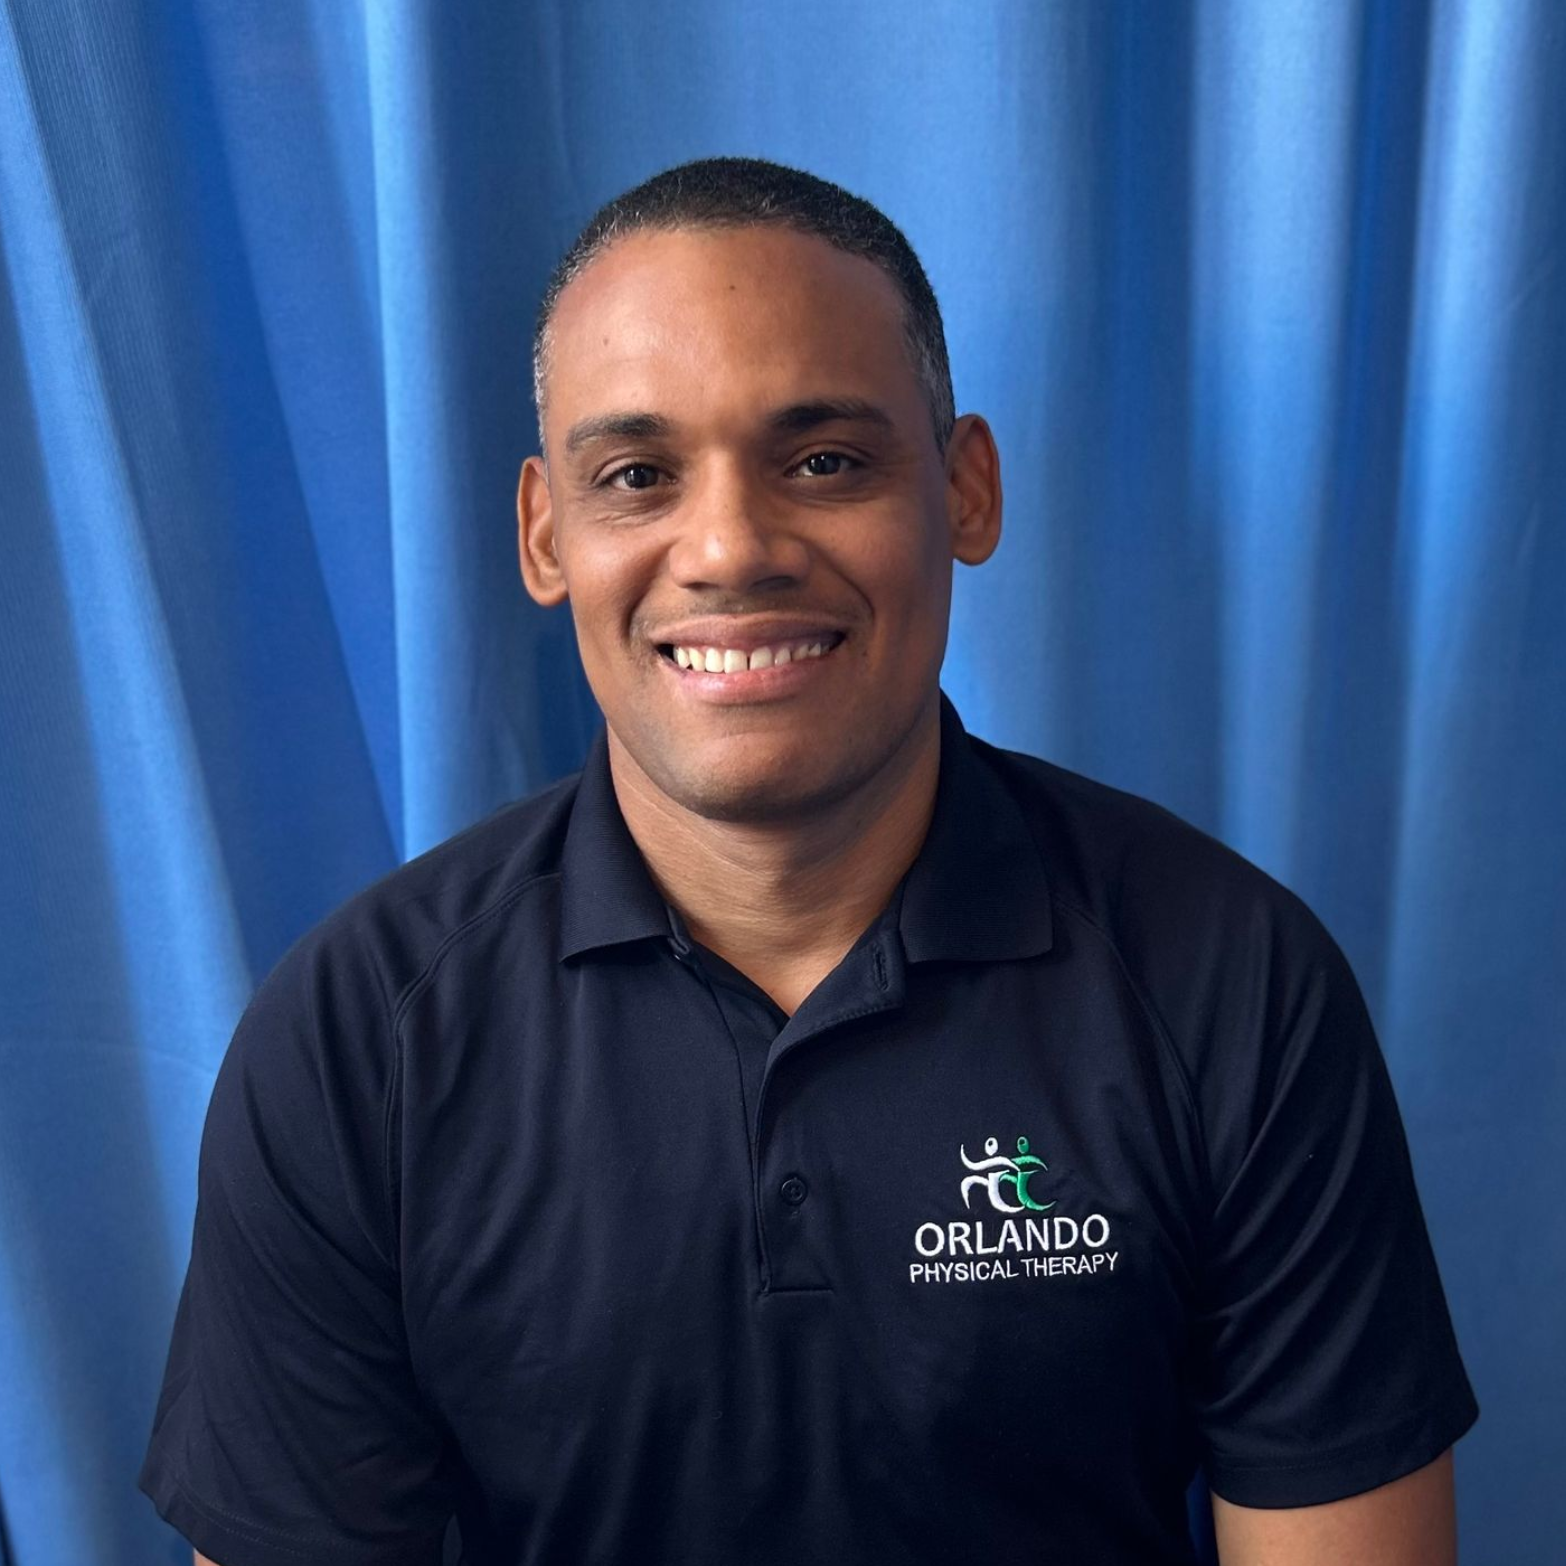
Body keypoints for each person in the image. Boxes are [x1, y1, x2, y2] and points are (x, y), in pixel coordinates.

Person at [140, 157, 1478, 1566]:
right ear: (548, 536)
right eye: (638, 475)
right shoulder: (358, 1038)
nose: (726, 547)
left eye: (824, 460)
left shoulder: (1231, 984)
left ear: (963, 491)